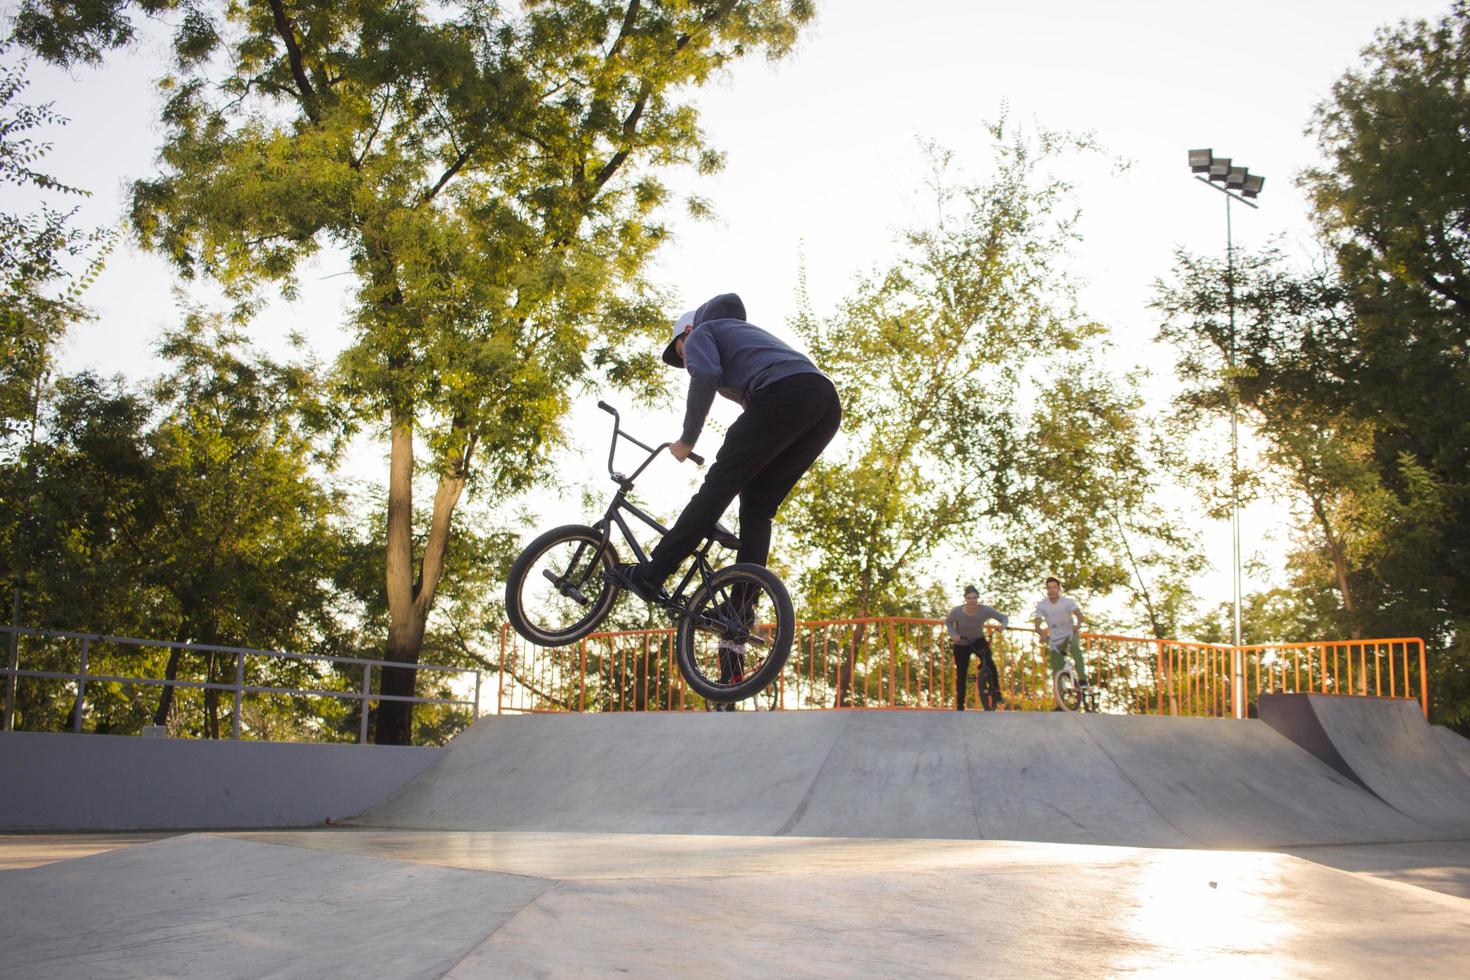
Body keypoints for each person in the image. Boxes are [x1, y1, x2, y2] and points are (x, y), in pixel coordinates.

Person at [620, 294, 842, 611]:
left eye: (680, 353)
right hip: (824, 404)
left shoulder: (701, 334)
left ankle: (653, 572)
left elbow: (705, 377)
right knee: (758, 504)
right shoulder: (745, 342)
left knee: (718, 486)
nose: (685, 363)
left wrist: (687, 439)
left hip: (786, 392)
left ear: (687, 332)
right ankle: (741, 607)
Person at [945, 585, 1009, 711]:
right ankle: (960, 703)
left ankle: (996, 692)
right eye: (969, 598)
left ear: (977, 598)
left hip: (978, 640)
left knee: (990, 663)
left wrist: (1003, 625)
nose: (972, 601)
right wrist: (954, 635)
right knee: (961, 673)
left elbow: (1003, 617)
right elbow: (948, 622)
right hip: (962, 643)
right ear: (965, 599)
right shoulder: (957, 611)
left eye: (974, 598)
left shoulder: (984, 610)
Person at [1033, 576, 1086, 703]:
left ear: (1059, 589)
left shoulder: (1067, 602)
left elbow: (1079, 615)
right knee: (1057, 670)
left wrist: (1078, 625)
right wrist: (1041, 632)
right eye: (1049, 588)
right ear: (1046, 589)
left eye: (1054, 587)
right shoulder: (1042, 605)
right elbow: (1037, 623)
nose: (1052, 590)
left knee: (1074, 648)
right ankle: (1060, 702)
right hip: (1055, 639)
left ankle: (1083, 679)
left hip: (1070, 634)